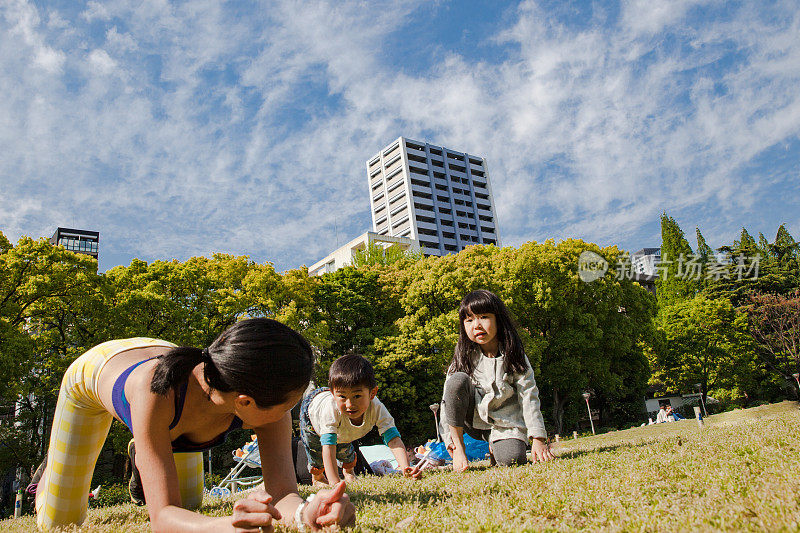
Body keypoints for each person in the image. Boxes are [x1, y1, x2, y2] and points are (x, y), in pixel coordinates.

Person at [35, 318, 355, 532]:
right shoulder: (155, 393)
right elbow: (162, 519)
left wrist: (307, 512)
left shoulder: (262, 398)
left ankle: (148, 448)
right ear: (244, 402)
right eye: (289, 405)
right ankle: (47, 476)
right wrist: (228, 526)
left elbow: (284, 493)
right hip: (95, 373)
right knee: (58, 522)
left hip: (176, 389)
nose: (290, 413)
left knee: (190, 506)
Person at [440, 289, 555, 472]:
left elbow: (529, 396)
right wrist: (452, 444)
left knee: (512, 459)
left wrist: (538, 439)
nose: (476, 325)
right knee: (456, 381)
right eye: (469, 320)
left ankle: (496, 445)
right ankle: (460, 447)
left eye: (483, 317)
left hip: (505, 422)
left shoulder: (514, 355)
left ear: (498, 320)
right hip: (472, 418)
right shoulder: (463, 356)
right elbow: (448, 401)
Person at [299, 353, 416, 486]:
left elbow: (393, 439)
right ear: (333, 395)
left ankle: (349, 471)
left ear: (372, 393)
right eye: (343, 397)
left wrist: (406, 467)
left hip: (342, 428)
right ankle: (318, 478)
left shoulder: (376, 407)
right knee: (316, 452)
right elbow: (328, 447)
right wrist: (334, 483)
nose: (350, 404)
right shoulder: (330, 410)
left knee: (345, 446)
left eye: (357, 396)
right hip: (312, 413)